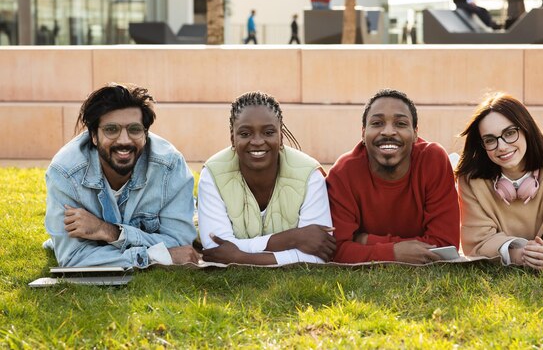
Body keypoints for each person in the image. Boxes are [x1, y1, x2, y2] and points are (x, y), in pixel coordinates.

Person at [44, 83, 199, 268]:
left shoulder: (169, 166)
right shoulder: (66, 173)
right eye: (111, 129)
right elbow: (73, 258)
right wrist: (154, 256)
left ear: (146, 133)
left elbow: (181, 244)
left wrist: (109, 232)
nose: (124, 141)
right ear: (93, 135)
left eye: (134, 129)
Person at [198, 91, 335, 265]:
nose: (257, 141)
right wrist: (291, 239)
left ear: (281, 136)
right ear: (232, 138)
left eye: (268, 132)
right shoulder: (213, 174)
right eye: (245, 134)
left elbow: (317, 255)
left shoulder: (309, 175)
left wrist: (239, 257)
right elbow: (215, 249)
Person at [326, 89, 460, 264]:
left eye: (401, 124)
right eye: (377, 123)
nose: (388, 132)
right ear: (363, 133)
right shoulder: (343, 173)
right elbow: (338, 250)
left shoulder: (433, 160)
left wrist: (366, 241)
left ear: (415, 134)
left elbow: (444, 245)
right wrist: (393, 253)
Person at [455, 94, 543, 270]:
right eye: (490, 140)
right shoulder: (471, 180)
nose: (501, 146)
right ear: (482, 145)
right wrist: (520, 255)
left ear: (526, 129)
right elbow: (475, 244)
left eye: (509, 133)